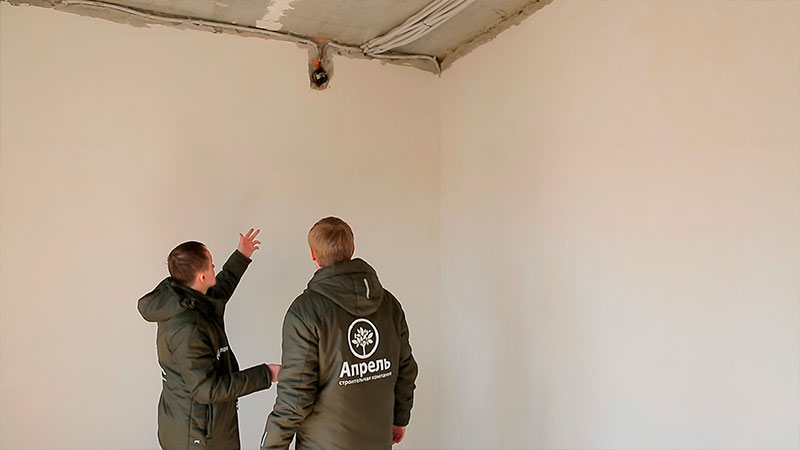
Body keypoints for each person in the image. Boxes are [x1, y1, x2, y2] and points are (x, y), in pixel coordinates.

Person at [261, 217, 418, 450]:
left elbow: (296, 396)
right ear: (352, 249)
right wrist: (400, 418)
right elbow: (406, 369)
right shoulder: (389, 304)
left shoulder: (305, 312)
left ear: (313, 254)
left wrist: (272, 446)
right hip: (378, 441)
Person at [139, 229, 280, 450]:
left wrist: (242, 255)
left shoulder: (187, 298)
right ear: (202, 277)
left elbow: (220, 291)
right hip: (196, 436)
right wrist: (266, 374)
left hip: (196, 423)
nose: (214, 266)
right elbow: (207, 390)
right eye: (211, 264)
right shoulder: (188, 328)